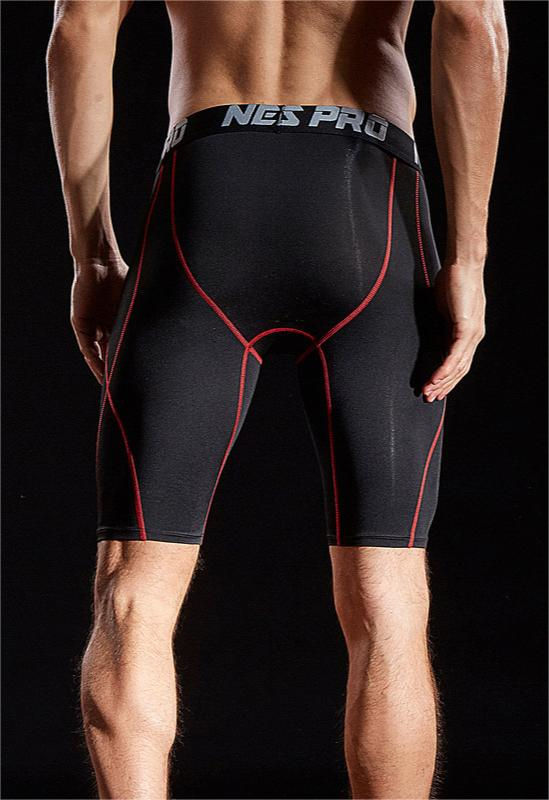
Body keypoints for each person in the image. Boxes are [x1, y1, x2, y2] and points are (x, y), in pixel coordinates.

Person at [46, 1, 508, 798]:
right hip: (367, 203)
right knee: (388, 597)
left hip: (206, 197)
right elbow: (471, 21)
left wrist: (91, 257)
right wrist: (468, 258)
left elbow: (78, 27)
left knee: (134, 593)